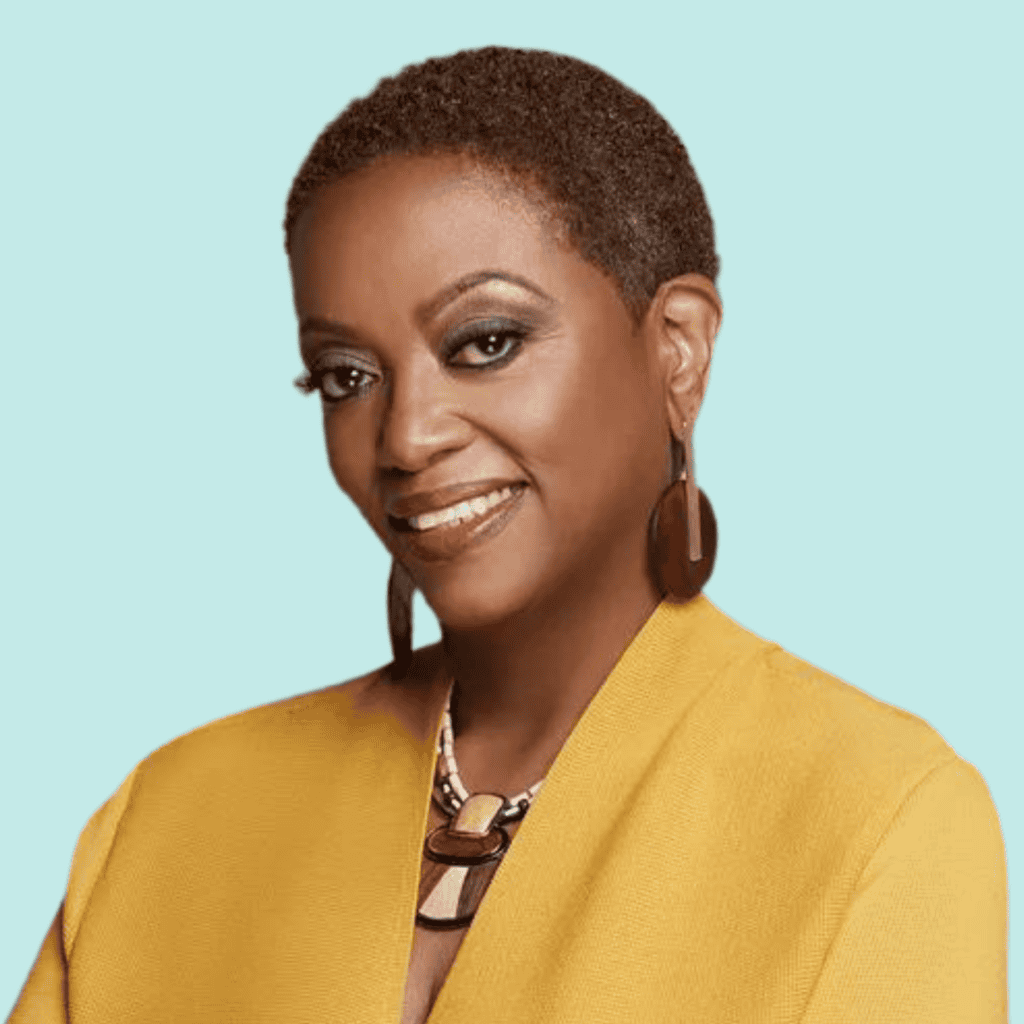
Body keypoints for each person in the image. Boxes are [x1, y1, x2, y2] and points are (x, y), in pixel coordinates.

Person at [8, 46, 1007, 1024]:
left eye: (485, 344)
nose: (403, 437)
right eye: (347, 376)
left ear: (678, 350)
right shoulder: (170, 815)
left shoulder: (875, 816)